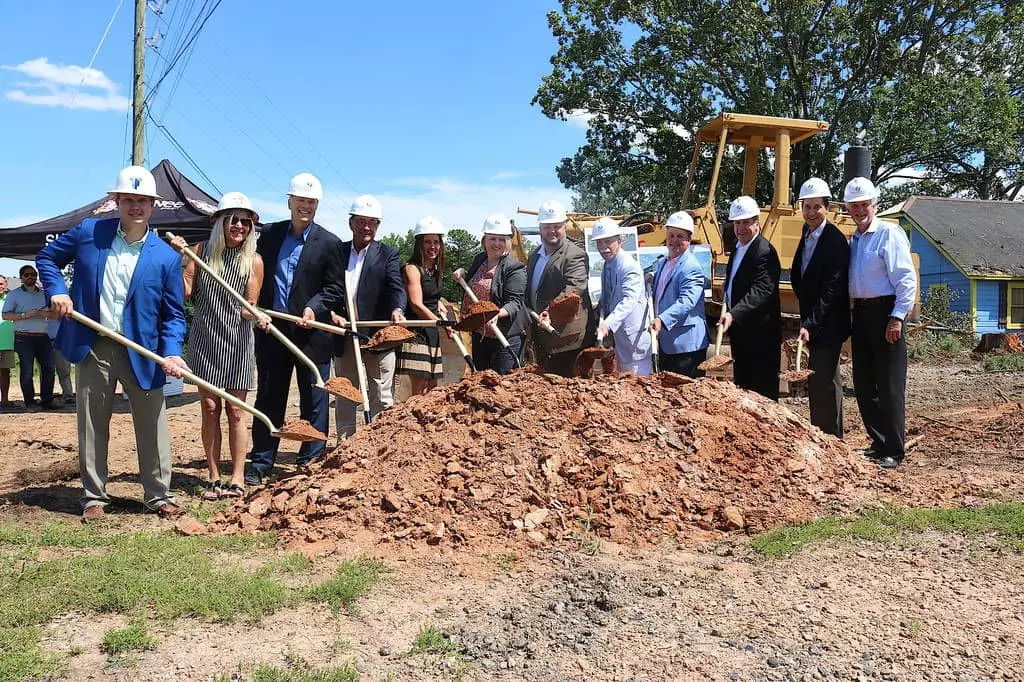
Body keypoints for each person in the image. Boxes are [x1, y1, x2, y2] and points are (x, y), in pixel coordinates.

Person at [36, 165, 188, 520]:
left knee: (152, 423)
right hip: (94, 344)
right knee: (91, 422)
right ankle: (93, 497)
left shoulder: (166, 258)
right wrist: (57, 291)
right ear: (116, 201)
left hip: (143, 350)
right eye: (129, 200)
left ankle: (158, 495)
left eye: (143, 201)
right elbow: (47, 258)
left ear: (153, 205)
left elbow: (174, 315)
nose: (136, 207)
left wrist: (172, 352)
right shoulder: (90, 233)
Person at [246, 173, 344, 486]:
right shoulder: (270, 235)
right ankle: (261, 462)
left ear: (317, 205)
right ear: (289, 201)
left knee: (314, 397)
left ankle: (311, 460)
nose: (306, 206)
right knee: (269, 396)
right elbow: (255, 275)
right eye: (300, 200)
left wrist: (314, 306)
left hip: (312, 332)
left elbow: (334, 288)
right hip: (274, 330)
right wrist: (256, 308)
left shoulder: (330, 243)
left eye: (311, 202)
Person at [172, 192, 269, 499]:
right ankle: (214, 476)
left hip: (238, 340)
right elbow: (185, 291)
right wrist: (181, 259)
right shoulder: (200, 251)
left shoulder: (254, 261)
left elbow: (249, 304)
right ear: (220, 222)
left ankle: (238, 476)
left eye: (246, 221)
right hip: (206, 339)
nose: (240, 225)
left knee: (237, 412)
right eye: (234, 219)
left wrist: (255, 314)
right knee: (210, 408)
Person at [845, 176, 917, 468]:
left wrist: (897, 317)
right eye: (855, 206)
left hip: (886, 312)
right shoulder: (855, 239)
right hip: (860, 313)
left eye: (864, 205)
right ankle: (878, 441)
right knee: (864, 383)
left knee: (889, 385)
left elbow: (906, 278)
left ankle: (895, 449)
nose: (860, 210)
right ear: (849, 208)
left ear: (874, 205)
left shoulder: (889, 233)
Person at [331, 194, 407, 436]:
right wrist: (332, 312)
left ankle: (378, 447)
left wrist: (397, 309)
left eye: (372, 222)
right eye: (361, 221)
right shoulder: (337, 252)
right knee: (346, 393)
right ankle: (345, 445)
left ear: (377, 226)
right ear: (351, 223)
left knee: (382, 396)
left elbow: (397, 287)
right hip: (346, 333)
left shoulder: (387, 254)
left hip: (378, 335)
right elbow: (327, 288)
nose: (366, 227)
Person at [791, 178, 850, 438]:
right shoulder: (807, 235)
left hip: (829, 323)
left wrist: (810, 323)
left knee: (824, 381)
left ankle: (831, 438)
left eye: (817, 207)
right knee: (820, 381)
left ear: (827, 208)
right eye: (807, 207)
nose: (811, 212)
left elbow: (831, 290)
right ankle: (823, 434)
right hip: (815, 320)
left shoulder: (834, 240)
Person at [720, 196, 782, 400]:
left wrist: (734, 313)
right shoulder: (738, 247)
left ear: (757, 223)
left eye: (746, 222)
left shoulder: (764, 251)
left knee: (761, 392)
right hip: (742, 333)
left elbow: (762, 290)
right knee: (743, 387)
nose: (740, 228)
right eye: (737, 223)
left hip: (760, 336)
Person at [526, 200, 595, 376]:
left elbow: (574, 288)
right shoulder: (534, 254)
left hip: (568, 340)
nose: (552, 231)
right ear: (540, 228)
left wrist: (549, 311)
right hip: (544, 336)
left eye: (557, 226)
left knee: (572, 392)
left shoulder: (574, 254)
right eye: (547, 226)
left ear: (565, 226)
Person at [454, 214, 527, 374]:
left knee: (503, 384)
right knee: (481, 382)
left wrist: (497, 314)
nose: (497, 243)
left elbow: (515, 302)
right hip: (481, 334)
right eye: (492, 238)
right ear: (484, 240)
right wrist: (462, 273)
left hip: (504, 336)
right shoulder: (480, 259)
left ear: (508, 241)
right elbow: (475, 283)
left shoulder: (514, 268)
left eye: (502, 239)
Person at [396, 216, 453, 395]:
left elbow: (431, 297)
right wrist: (442, 324)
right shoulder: (412, 269)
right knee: (419, 390)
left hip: (432, 333)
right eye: (427, 242)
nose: (433, 246)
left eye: (436, 242)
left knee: (433, 387)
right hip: (417, 333)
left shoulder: (435, 271)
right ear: (419, 244)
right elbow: (416, 304)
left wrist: (439, 304)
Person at [650, 211, 709, 377]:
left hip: (686, 346)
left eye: (680, 236)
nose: (674, 240)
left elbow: (687, 301)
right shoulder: (663, 262)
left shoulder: (691, 267)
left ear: (689, 240)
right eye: (671, 235)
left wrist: (662, 319)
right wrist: (652, 278)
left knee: (687, 395)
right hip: (667, 342)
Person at [592, 217, 652, 375]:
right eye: (599, 242)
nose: (603, 247)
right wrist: (598, 308)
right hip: (620, 342)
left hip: (635, 342)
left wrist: (608, 324)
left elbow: (628, 301)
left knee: (639, 386)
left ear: (619, 241)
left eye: (607, 242)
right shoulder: (607, 265)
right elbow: (608, 295)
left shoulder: (628, 266)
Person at [2, 265, 57, 410]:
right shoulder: (14, 294)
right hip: (23, 337)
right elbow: (5, 315)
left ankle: (47, 400)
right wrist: (24, 315)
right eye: (27, 275)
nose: (30, 276)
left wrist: (44, 314)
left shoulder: (45, 294)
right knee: (27, 371)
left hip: (42, 336)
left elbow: (56, 314)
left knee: (49, 368)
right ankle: (30, 402)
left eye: (33, 274)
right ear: (21, 278)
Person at [48, 313, 75, 403]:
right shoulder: (38, 304)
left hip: (60, 341)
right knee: (46, 370)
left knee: (64, 370)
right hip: (43, 340)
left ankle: (68, 394)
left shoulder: (60, 304)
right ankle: (47, 395)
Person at [0, 276, 18, 408]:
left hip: (6, 342)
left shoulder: (11, 300)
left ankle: (5, 399)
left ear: (6, 285)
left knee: (5, 371)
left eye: (1, 284)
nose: (0, 286)